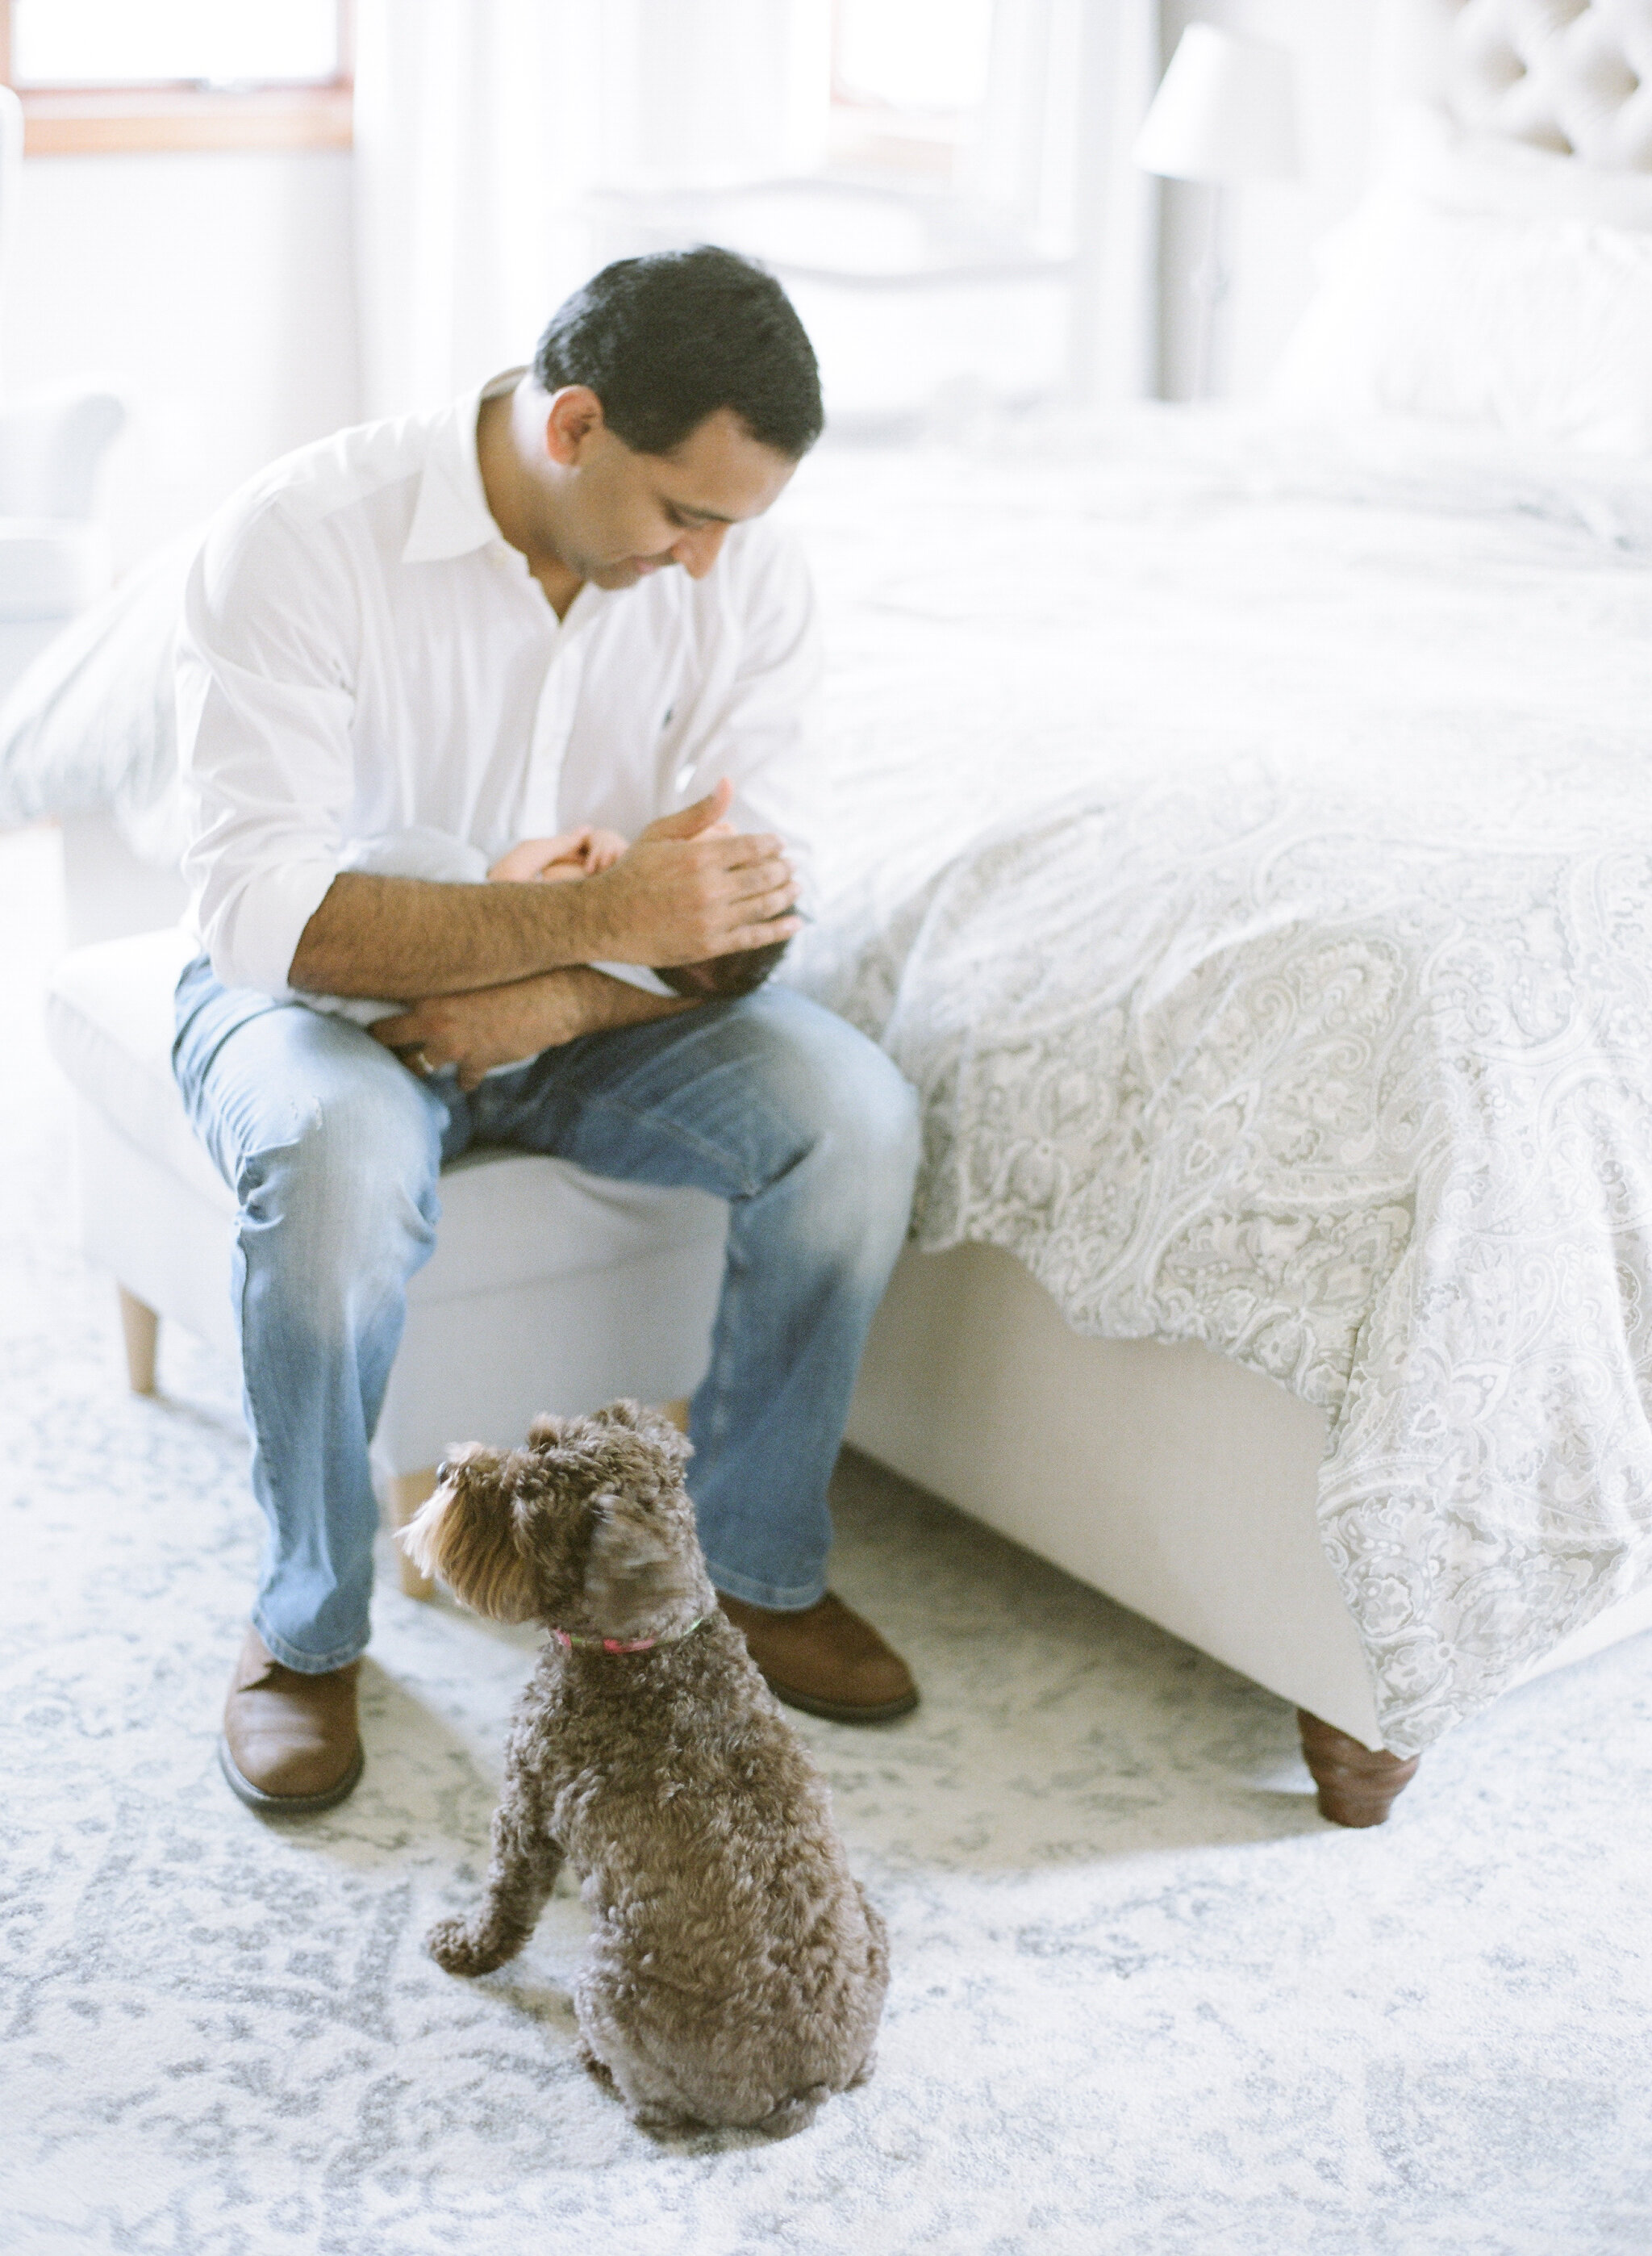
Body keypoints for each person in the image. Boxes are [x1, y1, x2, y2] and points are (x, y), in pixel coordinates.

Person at [173, 246, 923, 1816]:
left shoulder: (737, 572)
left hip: (590, 1015)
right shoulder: (302, 540)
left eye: (738, 523)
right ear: (574, 427)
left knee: (853, 1120)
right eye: (686, 515)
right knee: (328, 1176)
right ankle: (306, 1629)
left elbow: (756, 898)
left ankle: (761, 1566)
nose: (712, 562)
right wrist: (601, 909)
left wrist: (535, 992)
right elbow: (277, 916)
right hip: (312, 1014)